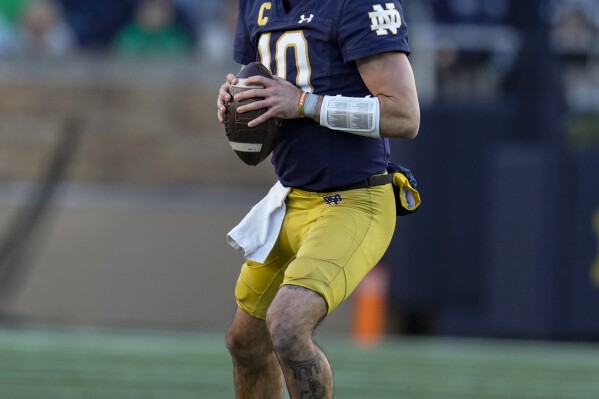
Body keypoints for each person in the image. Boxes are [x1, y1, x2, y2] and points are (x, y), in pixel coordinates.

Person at [216, 0, 419, 397]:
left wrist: (305, 104)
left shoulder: (356, 4)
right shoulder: (257, 4)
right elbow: (264, 74)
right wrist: (236, 96)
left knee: (289, 328)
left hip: (354, 200)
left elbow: (405, 116)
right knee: (245, 342)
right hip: (291, 198)